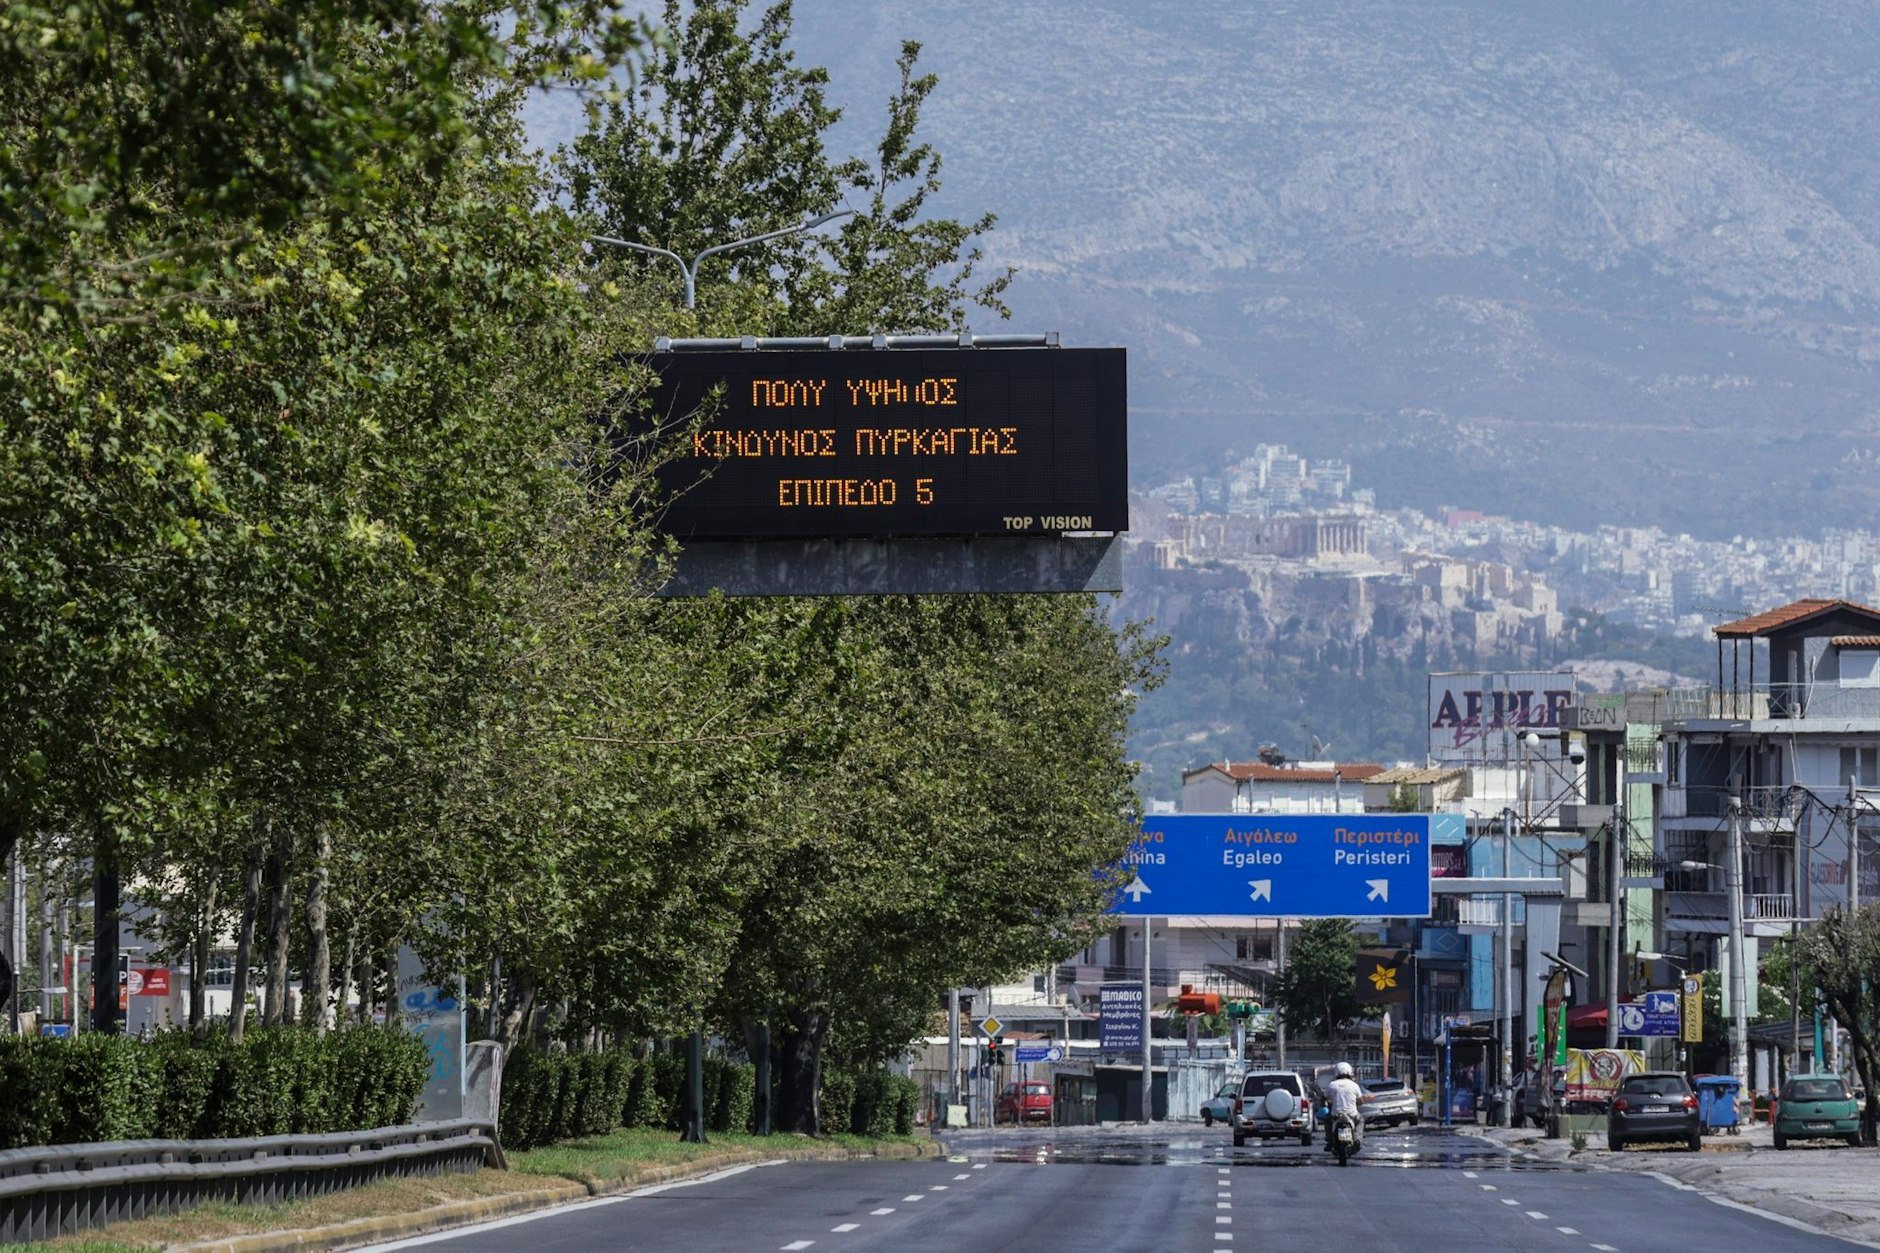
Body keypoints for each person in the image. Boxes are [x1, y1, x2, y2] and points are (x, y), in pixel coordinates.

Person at [1324, 1061, 1366, 1151]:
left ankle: (1329, 1141)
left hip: (1336, 1115)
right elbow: (1361, 1101)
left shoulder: (1332, 1085)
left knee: (1327, 1120)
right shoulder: (1354, 1085)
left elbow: (1324, 1097)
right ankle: (1358, 1140)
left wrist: (1325, 1104)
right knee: (1361, 1120)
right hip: (1352, 1115)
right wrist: (1356, 1102)